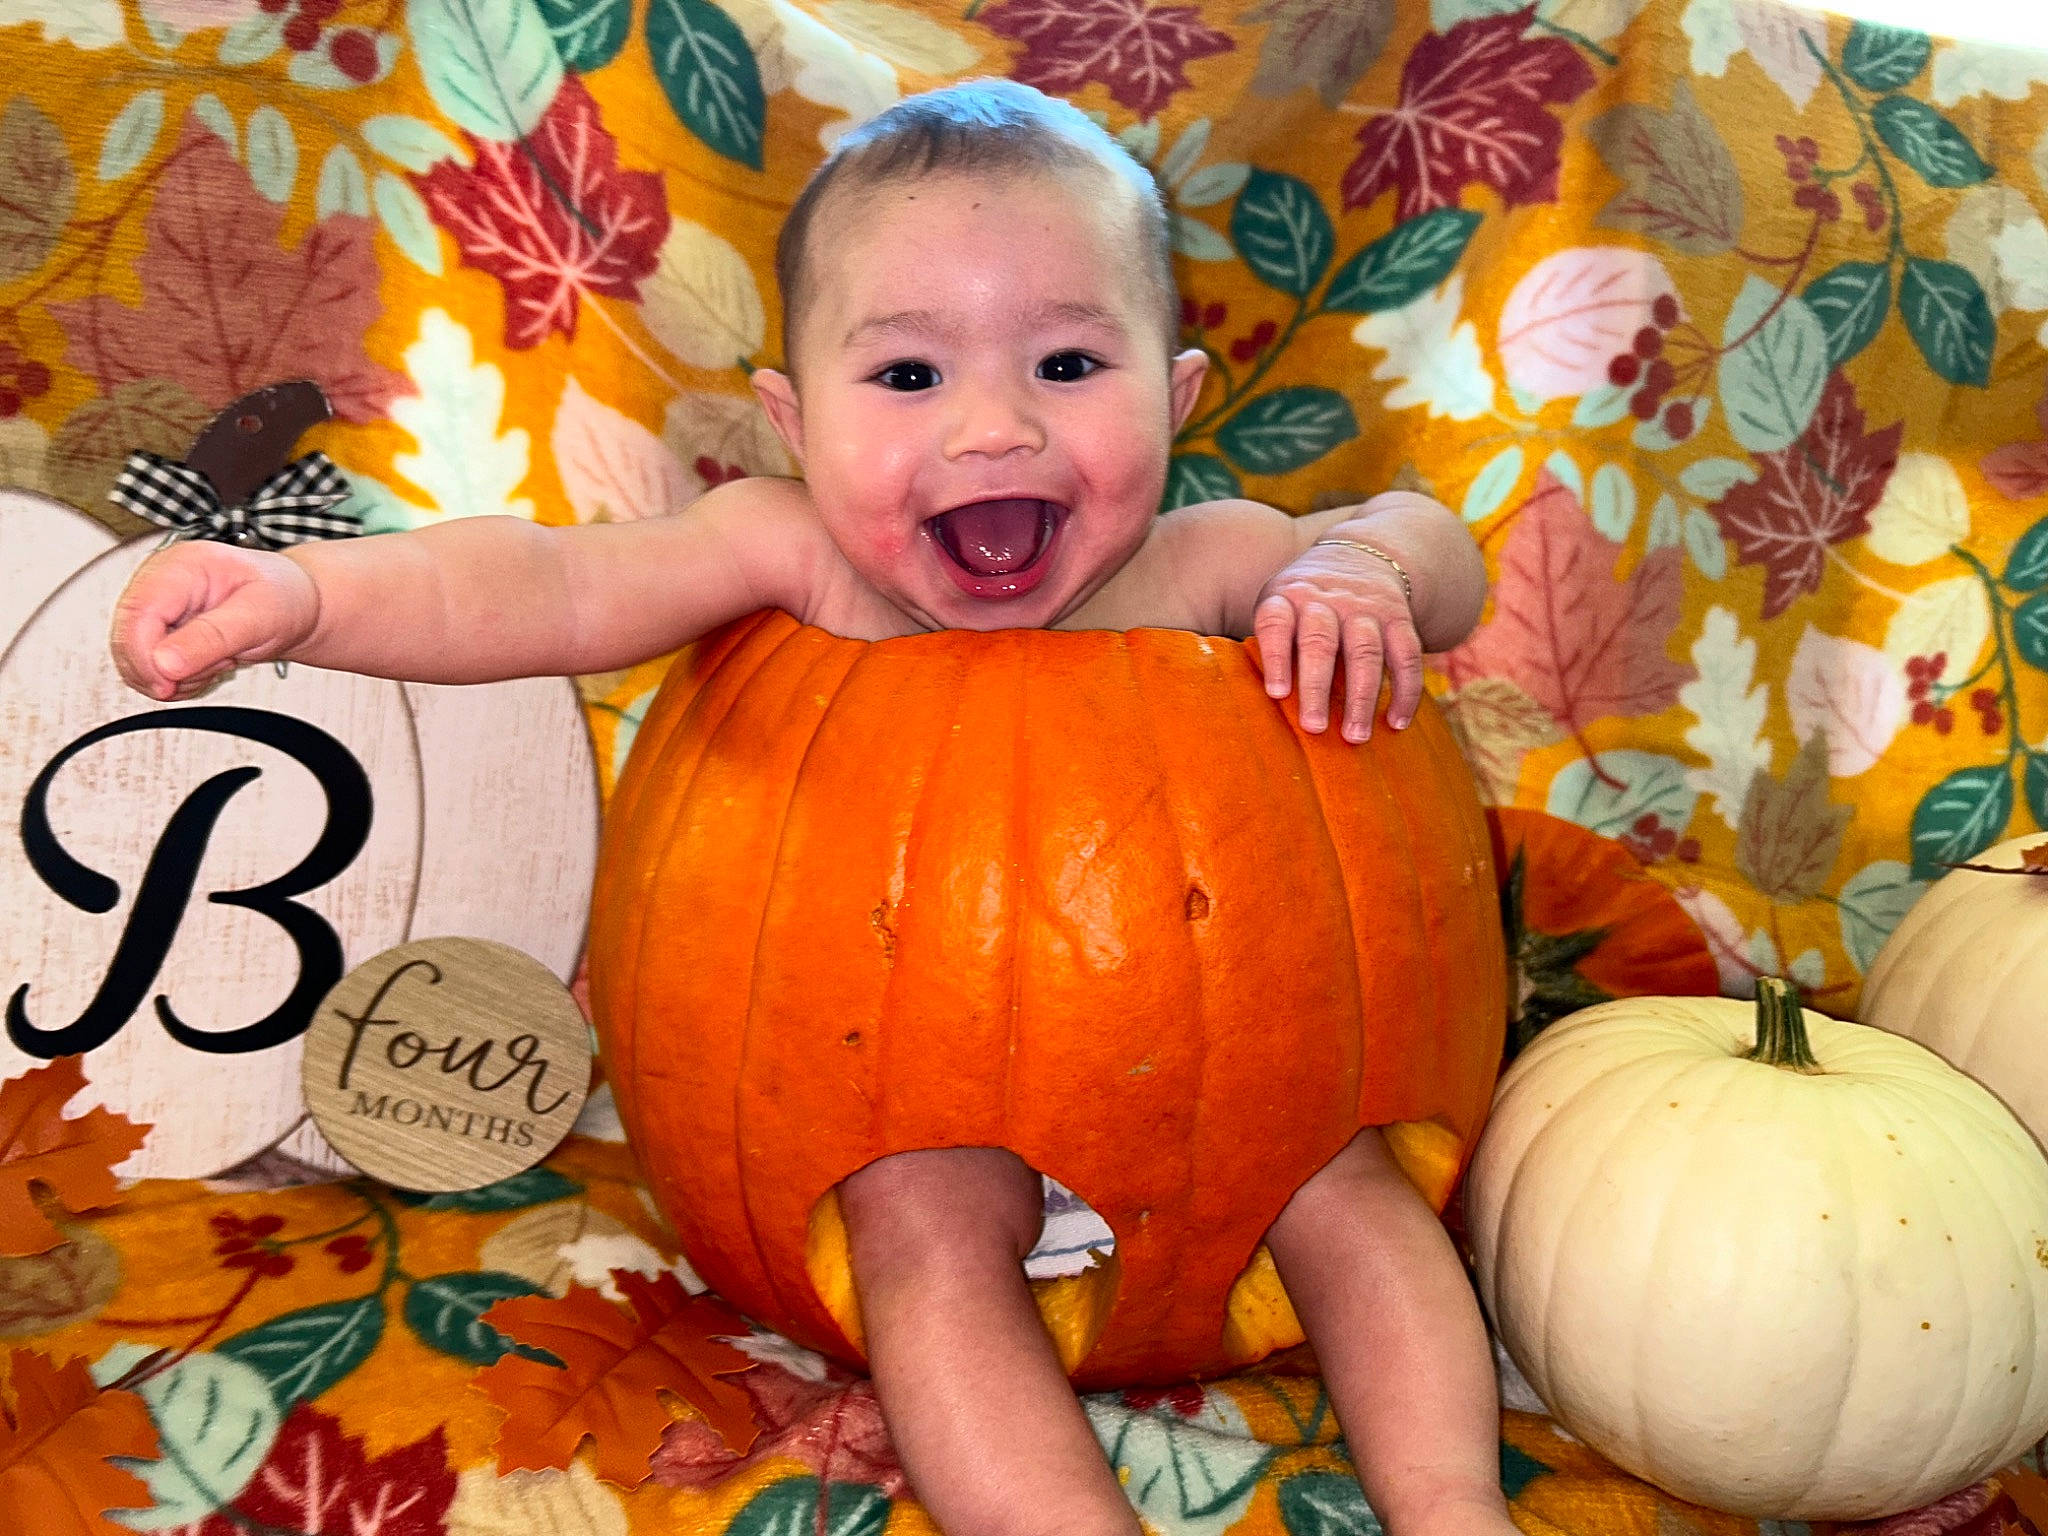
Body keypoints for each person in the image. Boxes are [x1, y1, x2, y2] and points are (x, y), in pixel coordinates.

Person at [110, 79, 1504, 1536]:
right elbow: (547, 583)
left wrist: (1367, 578)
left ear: (1179, 392)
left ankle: (1454, 1507)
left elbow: (1424, 539)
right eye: (909, 379)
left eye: (1071, 362)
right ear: (794, 416)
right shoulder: (792, 555)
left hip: (1244, 1104)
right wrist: (307, 594)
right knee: (917, 1230)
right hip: (902, 1109)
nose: (992, 431)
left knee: (1356, 1195)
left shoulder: (1217, 563)